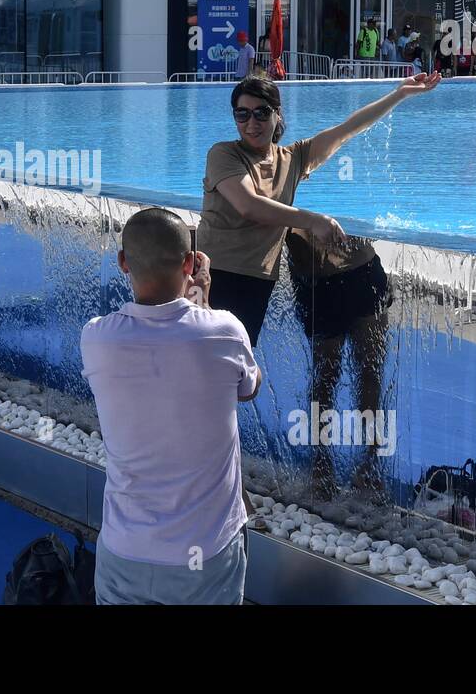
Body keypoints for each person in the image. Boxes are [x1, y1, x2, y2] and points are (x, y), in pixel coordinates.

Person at [81, 207, 260, 605]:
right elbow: (249, 387)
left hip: (125, 549)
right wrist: (204, 303)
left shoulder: (96, 339)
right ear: (189, 264)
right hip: (206, 555)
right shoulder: (224, 330)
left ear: (123, 263)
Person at [198, 70, 441, 347]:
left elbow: (348, 129)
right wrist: (313, 220)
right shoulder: (224, 154)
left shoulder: (293, 158)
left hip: (257, 279)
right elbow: (248, 205)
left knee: (233, 366)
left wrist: (399, 94)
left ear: (277, 114)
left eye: (261, 113)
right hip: (215, 275)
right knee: (208, 362)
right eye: (242, 114)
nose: (251, 123)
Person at [285, 229, 393, 501]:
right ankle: (321, 464)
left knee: (370, 371)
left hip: (362, 268)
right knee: (326, 376)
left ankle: (369, 465)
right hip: (318, 278)